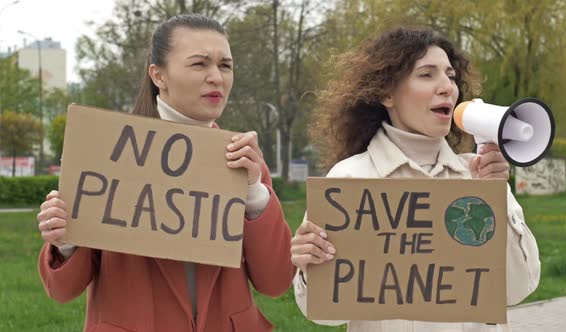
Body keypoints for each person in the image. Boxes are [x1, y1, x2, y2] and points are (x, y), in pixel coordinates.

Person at [37, 14, 296, 332]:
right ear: (158, 75)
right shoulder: (106, 154)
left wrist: (255, 193)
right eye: (200, 64)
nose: (217, 77)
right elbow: (62, 290)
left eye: (225, 65)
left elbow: (276, 282)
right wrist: (65, 241)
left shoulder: (246, 163)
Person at [290, 27, 540, 332]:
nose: (447, 87)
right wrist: (309, 264)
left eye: (450, 75)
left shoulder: (475, 176)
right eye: (427, 74)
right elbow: (325, 314)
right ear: (387, 93)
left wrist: (495, 199)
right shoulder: (349, 179)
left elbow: (517, 289)